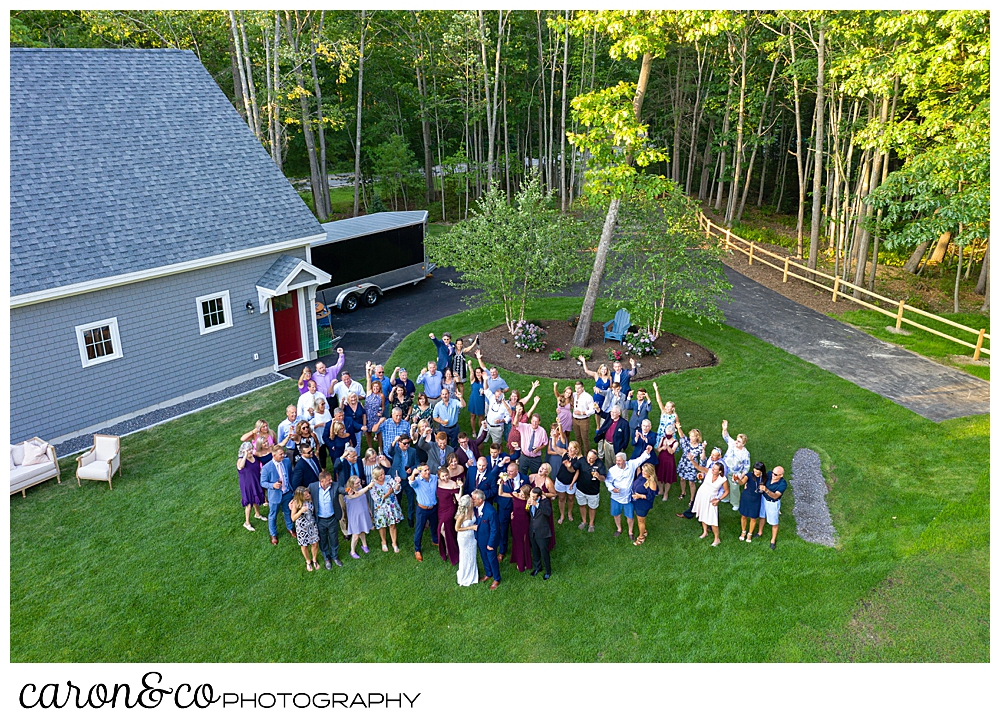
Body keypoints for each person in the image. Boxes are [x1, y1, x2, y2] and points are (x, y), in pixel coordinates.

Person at [606, 447, 652, 541]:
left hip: (628, 498)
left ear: (624, 460)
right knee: (616, 514)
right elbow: (608, 481)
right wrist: (612, 489)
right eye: (616, 460)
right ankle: (619, 529)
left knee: (630, 516)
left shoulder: (631, 464)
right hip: (616, 497)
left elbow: (641, 459)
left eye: (619, 460)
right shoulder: (612, 470)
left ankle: (630, 532)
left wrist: (647, 452)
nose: (617, 462)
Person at [308, 470, 346, 569]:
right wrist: (294, 501)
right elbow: (302, 494)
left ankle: (335, 556)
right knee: (323, 540)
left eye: (331, 479)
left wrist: (349, 490)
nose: (331, 481)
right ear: (322, 481)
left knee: (334, 539)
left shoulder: (335, 485)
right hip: (320, 520)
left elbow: (343, 490)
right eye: (328, 480)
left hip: (332, 518)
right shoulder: (312, 487)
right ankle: (326, 558)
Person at [689, 458, 729, 546]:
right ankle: (705, 531)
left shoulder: (723, 479)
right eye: (713, 467)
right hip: (702, 495)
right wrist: (692, 460)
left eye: (715, 469)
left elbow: (726, 491)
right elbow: (698, 467)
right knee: (703, 513)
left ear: (720, 471)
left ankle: (717, 538)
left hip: (712, 499)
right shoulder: (709, 471)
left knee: (713, 519)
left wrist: (719, 499)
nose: (713, 469)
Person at [260, 445, 294, 545]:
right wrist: (272, 485)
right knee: (273, 515)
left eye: (283, 453)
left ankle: (290, 528)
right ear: (274, 455)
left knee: (287, 511)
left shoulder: (286, 461)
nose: (283, 455)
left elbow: (290, 474)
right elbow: (263, 483)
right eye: (281, 454)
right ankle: (273, 534)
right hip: (275, 495)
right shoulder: (267, 467)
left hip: (287, 492)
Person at [408, 464, 440, 561]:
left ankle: (435, 540)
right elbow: (411, 482)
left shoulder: (434, 478)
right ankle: (417, 549)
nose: (428, 472)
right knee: (419, 529)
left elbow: (442, 475)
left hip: (433, 508)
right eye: (425, 471)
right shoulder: (417, 481)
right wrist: (413, 473)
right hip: (422, 510)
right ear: (420, 472)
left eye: (428, 469)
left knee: (434, 525)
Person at [495, 461, 526, 562]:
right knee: (503, 529)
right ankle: (502, 551)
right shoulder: (503, 477)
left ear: (517, 471)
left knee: (517, 529)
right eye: (507, 471)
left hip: (517, 508)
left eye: (511, 471)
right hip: (504, 507)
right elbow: (499, 492)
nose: (508, 473)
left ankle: (518, 549)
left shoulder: (524, 479)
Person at [471, 489, 501, 590]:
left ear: (480, 500)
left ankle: (496, 578)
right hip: (480, 538)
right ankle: (488, 573)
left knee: (492, 559)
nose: (472, 500)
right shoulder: (476, 508)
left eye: (473, 499)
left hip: (489, 541)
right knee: (484, 556)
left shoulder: (490, 511)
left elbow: (495, 529)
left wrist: (491, 544)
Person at [369, 467, 403, 553]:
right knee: (382, 526)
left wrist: (398, 484)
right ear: (376, 476)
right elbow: (377, 499)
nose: (383, 476)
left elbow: (396, 490)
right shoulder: (372, 485)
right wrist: (388, 494)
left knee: (392, 525)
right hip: (381, 508)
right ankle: (383, 541)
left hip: (391, 506)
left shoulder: (388, 478)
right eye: (380, 475)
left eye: (383, 473)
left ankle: (394, 543)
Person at [389, 435, 419, 527]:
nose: (407, 445)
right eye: (404, 443)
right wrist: (394, 441)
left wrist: (412, 468)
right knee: (397, 498)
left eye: (408, 443)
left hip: (408, 479)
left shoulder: (412, 451)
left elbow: (417, 463)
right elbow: (390, 451)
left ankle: (410, 518)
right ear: (399, 443)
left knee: (411, 500)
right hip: (398, 479)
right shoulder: (396, 450)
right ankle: (398, 515)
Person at [721, 420, 750, 512]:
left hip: (735, 472)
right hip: (725, 468)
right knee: (724, 484)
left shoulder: (745, 453)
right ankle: (726, 497)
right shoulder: (732, 444)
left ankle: (735, 503)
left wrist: (741, 475)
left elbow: (746, 466)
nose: (736, 442)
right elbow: (726, 437)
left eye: (739, 441)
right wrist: (724, 429)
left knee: (734, 488)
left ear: (743, 444)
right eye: (737, 440)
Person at [237, 441, 267, 531]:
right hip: (247, 485)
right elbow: (241, 467)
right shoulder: (240, 460)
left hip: (255, 481)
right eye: (248, 450)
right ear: (243, 451)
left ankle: (257, 514)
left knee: (256, 499)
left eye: (251, 449)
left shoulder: (254, 457)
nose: (250, 451)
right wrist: (245, 455)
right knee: (249, 503)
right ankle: (247, 523)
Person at [436, 468, 463, 565]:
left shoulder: (453, 484)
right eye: (443, 476)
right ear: (439, 477)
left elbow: (459, 499)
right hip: (441, 509)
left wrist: (461, 488)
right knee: (447, 530)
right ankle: (451, 546)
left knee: (441, 528)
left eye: (446, 475)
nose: (445, 477)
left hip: (450, 509)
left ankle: (449, 549)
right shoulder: (437, 482)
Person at [290, 486, 320, 570]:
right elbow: (293, 518)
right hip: (302, 528)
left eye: (308, 493)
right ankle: (308, 561)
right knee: (304, 546)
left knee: (315, 543)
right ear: (300, 496)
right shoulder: (296, 503)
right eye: (306, 495)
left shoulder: (310, 499)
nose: (308, 495)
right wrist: (300, 511)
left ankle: (314, 559)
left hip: (312, 525)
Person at [344, 475, 374, 558]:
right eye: (357, 483)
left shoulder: (360, 487)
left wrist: (369, 509)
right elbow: (357, 495)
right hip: (354, 516)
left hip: (363, 513)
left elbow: (365, 498)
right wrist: (368, 486)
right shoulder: (348, 492)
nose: (359, 484)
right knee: (356, 535)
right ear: (352, 484)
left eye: (359, 481)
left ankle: (364, 545)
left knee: (362, 530)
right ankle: (352, 551)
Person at [576, 449, 606, 532]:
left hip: (593, 492)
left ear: (596, 458)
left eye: (591, 458)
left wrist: (598, 476)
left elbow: (603, 478)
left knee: (592, 507)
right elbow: (573, 469)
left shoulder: (600, 464)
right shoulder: (582, 460)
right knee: (582, 505)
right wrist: (568, 466)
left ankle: (591, 524)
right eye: (588, 457)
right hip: (581, 489)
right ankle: (584, 521)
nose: (589, 459)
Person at [527, 486, 553, 579]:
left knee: (544, 552)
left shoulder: (544, 502)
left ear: (538, 496)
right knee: (535, 550)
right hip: (533, 530)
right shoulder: (530, 500)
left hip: (542, 532)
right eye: (530, 495)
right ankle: (538, 567)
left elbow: (548, 512)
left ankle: (548, 571)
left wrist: (536, 504)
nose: (531, 498)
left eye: (533, 496)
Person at [759, 465, 787, 550]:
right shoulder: (769, 474)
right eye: (773, 473)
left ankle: (773, 540)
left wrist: (766, 490)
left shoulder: (782, 484)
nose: (773, 475)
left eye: (775, 474)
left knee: (774, 523)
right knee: (761, 516)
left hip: (772, 503)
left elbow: (775, 496)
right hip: (763, 499)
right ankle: (760, 532)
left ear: (781, 475)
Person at [594, 405, 630, 471]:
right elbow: (602, 414)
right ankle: (609, 476)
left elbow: (626, 438)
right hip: (607, 444)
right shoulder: (609, 417)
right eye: (611, 412)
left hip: (616, 446)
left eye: (614, 412)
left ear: (619, 413)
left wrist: (622, 447)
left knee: (617, 463)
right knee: (608, 462)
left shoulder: (624, 424)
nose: (612, 414)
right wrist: (598, 409)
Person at [674, 423, 704, 502]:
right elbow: (682, 435)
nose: (691, 438)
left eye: (693, 436)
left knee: (691, 483)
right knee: (682, 479)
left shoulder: (700, 446)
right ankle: (683, 492)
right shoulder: (687, 442)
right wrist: (679, 428)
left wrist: (704, 448)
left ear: (697, 437)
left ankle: (692, 499)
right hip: (684, 463)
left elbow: (702, 458)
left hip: (692, 465)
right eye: (690, 436)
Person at [739, 462, 767, 542]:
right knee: (744, 516)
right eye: (754, 468)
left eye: (757, 469)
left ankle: (750, 534)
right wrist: (737, 479)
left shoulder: (765, 477)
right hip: (746, 497)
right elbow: (742, 483)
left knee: (753, 517)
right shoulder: (749, 475)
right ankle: (743, 532)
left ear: (761, 470)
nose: (755, 470)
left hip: (756, 499)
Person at [455, 494, 480, 586]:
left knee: (472, 555)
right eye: (471, 500)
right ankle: (464, 576)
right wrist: (471, 527)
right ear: (468, 504)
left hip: (472, 537)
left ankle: (473, 575)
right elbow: (457, 528)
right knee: (465, 556)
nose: (473, 501)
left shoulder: (473, 509)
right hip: (464, 538)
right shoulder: (462, 515)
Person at [555, 441, 582, 525]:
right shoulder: (565, 453)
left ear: (576, 450)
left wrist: (572, 483)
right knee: (561, 498)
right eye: (569, 447)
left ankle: (569, 513)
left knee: (570, 498)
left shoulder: (579, 459)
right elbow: (554, 447)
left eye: (572, 448)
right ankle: (562, 514)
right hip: (560, 480)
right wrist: (553, 437)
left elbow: (576, 472)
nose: (569, 449)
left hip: (571, 483)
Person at [631, 463, 658, 545]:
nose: (643, 472)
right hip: (636, 502)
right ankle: (644, 530)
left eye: (645, 471)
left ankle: (641, 537)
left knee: (640, 521)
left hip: (643, 505)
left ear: (649, 472)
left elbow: (650, 497)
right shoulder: (641, 476)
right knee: (640, 519)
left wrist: (640, 496)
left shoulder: (651, 482)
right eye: (643, 470)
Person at [508, 484, 533, 573]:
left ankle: (525, 561)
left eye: (523, 494)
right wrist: (501, 484)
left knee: (524, 541)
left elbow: (529, 512)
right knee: (517, 540)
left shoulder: (529, 500)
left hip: (524, 522)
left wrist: (530, 503)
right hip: (515, 521)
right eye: (520, 492)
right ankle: (518, 559)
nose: (521, 495)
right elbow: (501, 493)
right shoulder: (515, 495)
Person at [363, 364, 386, 451]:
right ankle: (370, 448)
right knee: (368, 432)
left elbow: (382, 406)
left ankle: (380, 448)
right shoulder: (369, 393)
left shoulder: (381, 396)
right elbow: (368, 379)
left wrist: (381, 413)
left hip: (376, 416)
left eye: (377, 387)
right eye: (374, 387)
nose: (375, 388)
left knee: (378, 432)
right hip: (368, 415)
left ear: (379, 387)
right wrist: (368, 370)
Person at [571, 380, 598, 454]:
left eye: (579, 388)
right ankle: (579, 454)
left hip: (584, 420)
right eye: (576, 388)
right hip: (575, 420)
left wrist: (582, 413)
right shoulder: (574, 395)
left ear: (583, 388)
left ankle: (587, 455)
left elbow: (593, 410)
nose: (577, 390)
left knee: (584, 438)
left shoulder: (588, 397)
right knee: (577, 437)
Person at [656, 425, 679, 501]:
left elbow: (672, 451)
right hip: (661, 460)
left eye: (669, 433)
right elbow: (658, 449)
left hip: (669, 462)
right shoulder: (662, 438)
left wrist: (668, 446)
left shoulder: (675, 442)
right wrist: (662, 448)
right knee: (659, 476)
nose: (667, 434)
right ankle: (661, 490)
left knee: (668, 478)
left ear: (672, 433)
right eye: (666, 432)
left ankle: (666, 493)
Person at [309, 396, 333, 469]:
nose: (323, 405)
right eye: (322, 404)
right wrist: (319, 425)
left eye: (324, 403)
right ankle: (323, 470)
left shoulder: (327, 411)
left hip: (329, 436)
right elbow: (309, 426)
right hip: (320, 438)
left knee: (332, 452)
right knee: (322, 455)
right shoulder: (315, 415)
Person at [466, 366, 487, 431]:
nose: (478, 374)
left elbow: (486, 389)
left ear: (482, 373)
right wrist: (470, 366)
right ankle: (473, 430)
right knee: (473, 416)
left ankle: (481, 431)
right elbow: (471, 372)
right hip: (473, 400)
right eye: (476, 372)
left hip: (481, 401)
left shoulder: (485, 382)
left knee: (481, 417)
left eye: (479, 372)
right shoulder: (473, 380)